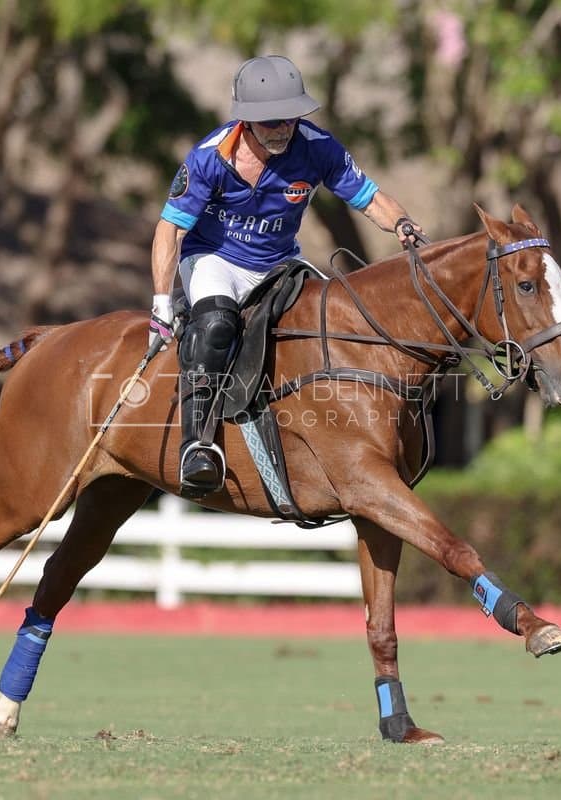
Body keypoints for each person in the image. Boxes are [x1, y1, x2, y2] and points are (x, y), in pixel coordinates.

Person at [149, 54, 423, 498]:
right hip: (214, 258)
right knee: (218, 324)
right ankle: (196, 445)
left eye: (291, 118)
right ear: (247, 120)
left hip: (278, 261)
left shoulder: (318, 148)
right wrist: (162, 303)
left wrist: (404, 227)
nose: (283, 128)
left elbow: (370, 198)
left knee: (327, 323)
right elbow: (171, 229)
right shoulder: (207, 159)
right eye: (272, 120)